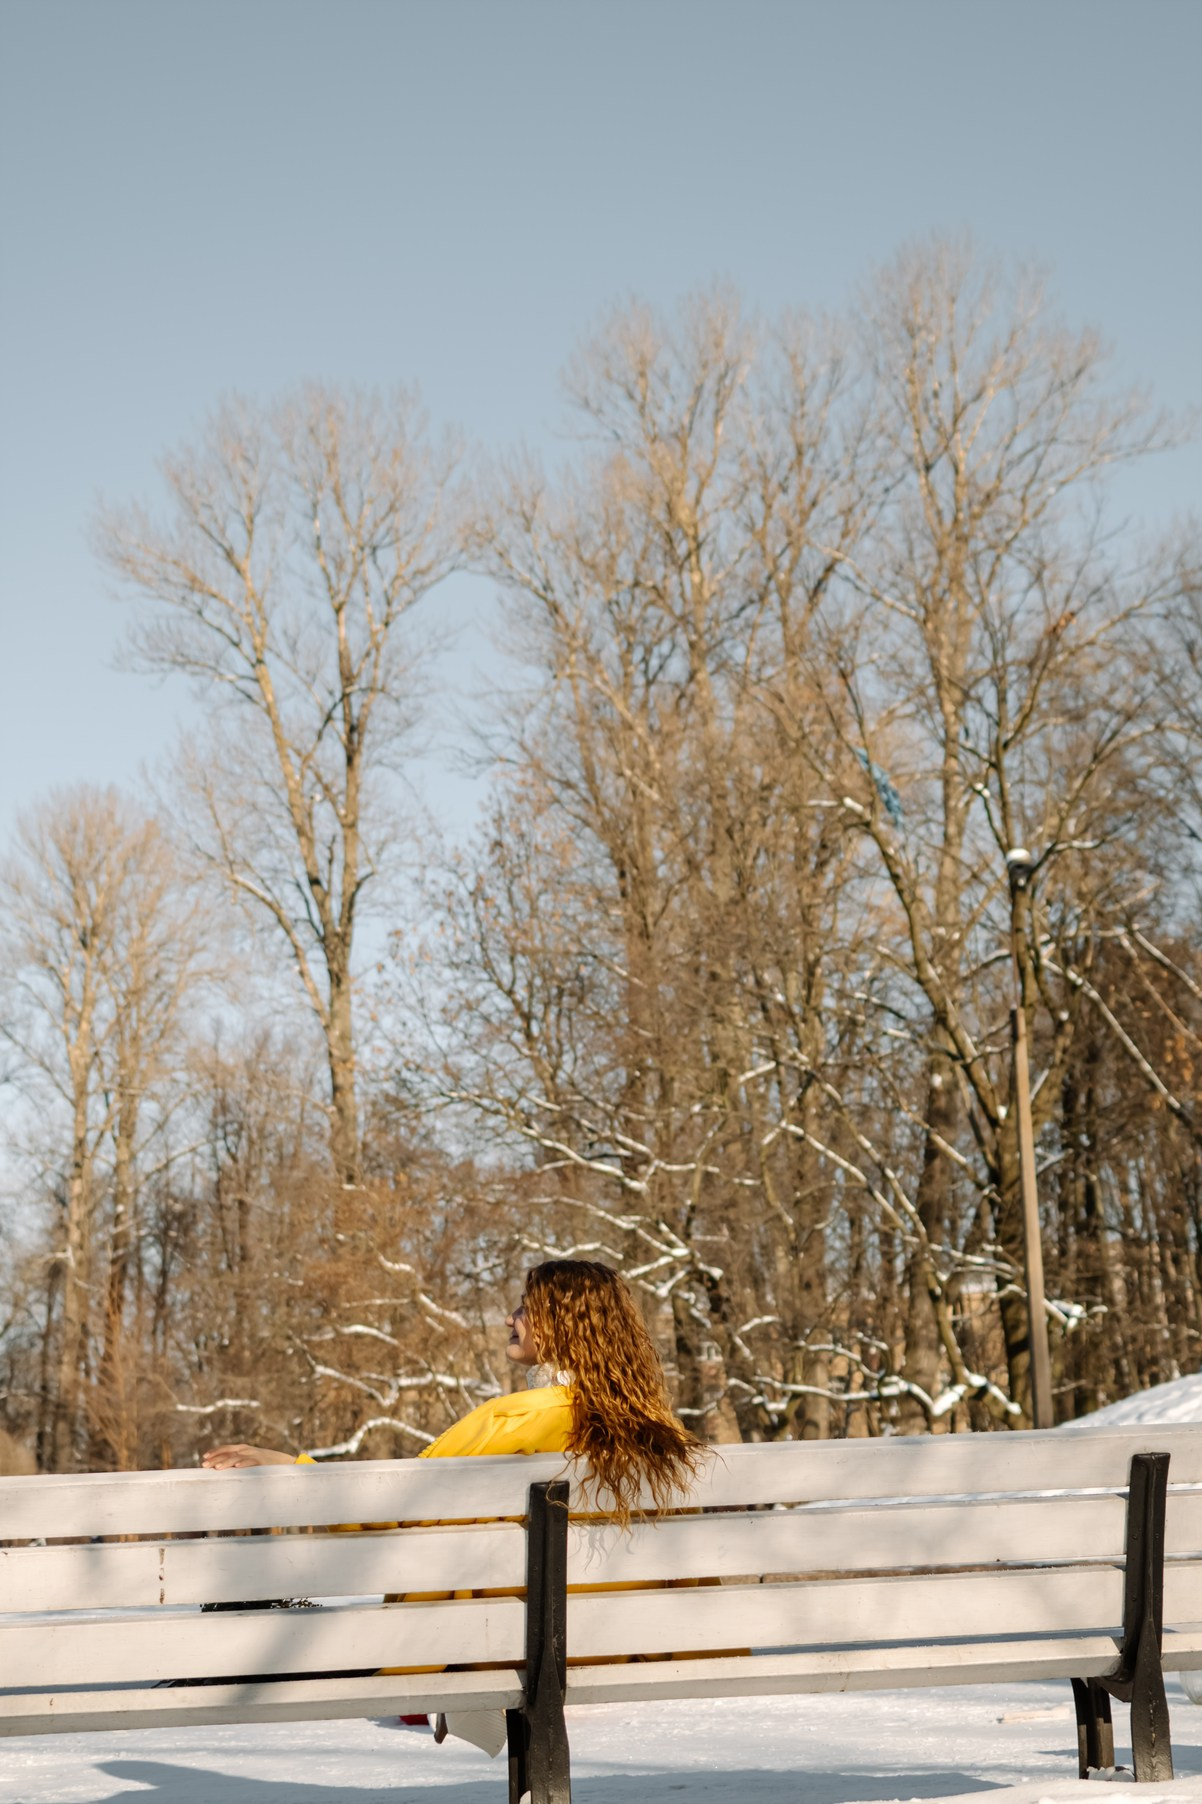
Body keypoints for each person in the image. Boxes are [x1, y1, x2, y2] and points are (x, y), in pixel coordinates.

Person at [202, 1260, 706, 1750]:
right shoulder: (661, 1434)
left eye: (525, 1308)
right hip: (618, 1650)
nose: (510, 1318)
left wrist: (293, 1467)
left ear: (562, 1324)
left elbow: (390, 1514)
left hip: (491, 1650)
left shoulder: (512, 1420)